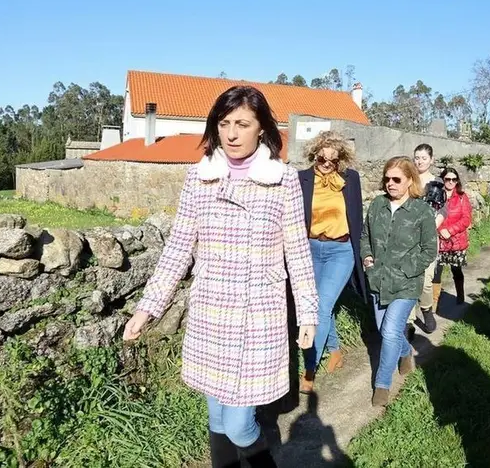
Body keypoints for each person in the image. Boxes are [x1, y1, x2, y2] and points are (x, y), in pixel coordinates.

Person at [123, 86, 318, 468]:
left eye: (242, 124)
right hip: (211, 315)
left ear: (262, 128)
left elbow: (297, 252)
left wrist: (308, 313)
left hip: (257, 317)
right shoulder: (200, 177)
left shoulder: (283, 181)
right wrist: (145, 311)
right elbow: (178, 249)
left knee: (239, 424)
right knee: (216, 419)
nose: (231, 134)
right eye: (224, 123)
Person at [362, 156, 437, 407]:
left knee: (391, 331)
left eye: (396, 179)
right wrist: (367, 258)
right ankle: (405, 352)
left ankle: (382, 384)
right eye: (387, 179)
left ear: (410, 181)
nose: (390, 184)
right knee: (386, 331)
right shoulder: (377, 206)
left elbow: (429, 250)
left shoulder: (421, 211)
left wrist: (407, 269)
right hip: (378, 281)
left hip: (406, 284)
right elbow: (365, 236)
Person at [297, 130, 364, 394]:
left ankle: (309, 369)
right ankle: (334, 350)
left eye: (333, 161)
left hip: (340, 250)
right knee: (322, 306)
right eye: (322, 159)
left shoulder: (350, 179)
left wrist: (364, 252)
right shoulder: (301, 179)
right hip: (310, 249)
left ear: (341, 159)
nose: (326, 164)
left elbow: (357, 216)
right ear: (314, 155)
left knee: (320, 307)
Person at [413, 143, 444, 333]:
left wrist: (430, 227)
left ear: (431, 160)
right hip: (407, 238)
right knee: (406, 279)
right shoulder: (408, 179)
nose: (419, 161)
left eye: (423, 158)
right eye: (417, 157)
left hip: (428, 238)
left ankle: (426, 310)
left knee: (425, 280)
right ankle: (407, 323)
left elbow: (444, 209)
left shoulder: (437, 183)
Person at [432, 167, 473, 306]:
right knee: (436, 273)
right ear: (442, 180)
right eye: (447, 179)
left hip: (456, 241)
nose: (450, 182)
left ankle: (460, 296)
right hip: (439, 241)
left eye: (454, 179)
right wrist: (440, 230)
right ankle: (434, 304)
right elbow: (431, 216)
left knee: (456, 270)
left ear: (457, 181)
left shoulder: (462, 197)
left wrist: (450, 230)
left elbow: (466, 219)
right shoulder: (436, 196)